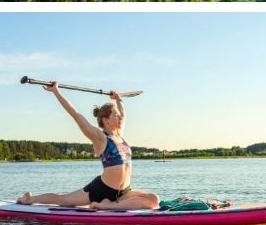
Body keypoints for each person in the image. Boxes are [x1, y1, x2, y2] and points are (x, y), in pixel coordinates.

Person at [17, 81, 160, 210]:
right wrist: (56, 91)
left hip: (124, 192)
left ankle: (109, 205)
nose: (120, 117)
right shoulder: (100, 138)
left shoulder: (119, 136)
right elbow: (76, 114)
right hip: (103, 189)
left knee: (154, 200)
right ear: (105, 120)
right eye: (115, 115)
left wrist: (118, 99)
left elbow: (124, 114)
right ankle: (30, 199)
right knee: (64, 200)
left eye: (118, 115)